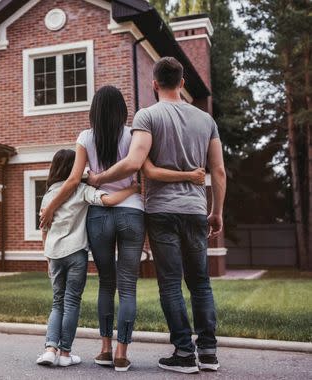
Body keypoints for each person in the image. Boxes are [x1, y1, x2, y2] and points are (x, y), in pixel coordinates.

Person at [39, 86, 204, 372]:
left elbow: (73, 180)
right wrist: (135, 187)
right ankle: (121, 354)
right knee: (127, 287)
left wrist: (51, 206)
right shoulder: (134, 135)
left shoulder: (85, 137)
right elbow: (146, 169)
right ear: (122, 111)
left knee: (106, 283)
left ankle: (103, 350)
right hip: (132, 212)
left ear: (94, 110)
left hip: (99, 216)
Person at [86, 57, 227, 374]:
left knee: (171, 285)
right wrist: (216, 211)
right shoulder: (206, 121)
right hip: (195, 211)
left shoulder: (147, 116)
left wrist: (99, 178)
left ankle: (183, 353)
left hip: (162, 211)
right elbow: (218, 170)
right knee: (201, 283)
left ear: (154, 84)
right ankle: (208, 352)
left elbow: (135, 163)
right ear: (182, 83)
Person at [36, 149, 140, 367]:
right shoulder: (82, 190)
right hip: (76, 254)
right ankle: (65, 354)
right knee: (72, 302)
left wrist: (47, 258)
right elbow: (109, 201)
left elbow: (44, 230)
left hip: (54, 255)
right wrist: (132, 189)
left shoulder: (48, 195)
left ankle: (49, 349)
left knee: (57, 303)